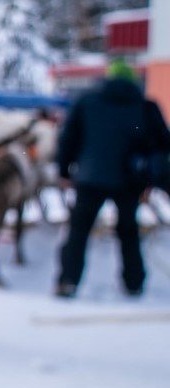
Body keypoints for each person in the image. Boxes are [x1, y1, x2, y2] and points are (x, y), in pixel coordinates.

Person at [55, 60, 170, 299]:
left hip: (90, 177)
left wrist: (64, 171)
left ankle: (68, 281)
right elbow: (162, 143)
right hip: (129, 181)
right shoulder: (144, 107)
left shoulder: (87, 102)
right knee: (128, 231)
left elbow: (68, 139)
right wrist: (151, 177)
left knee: (79, 231)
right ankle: (134, 283)